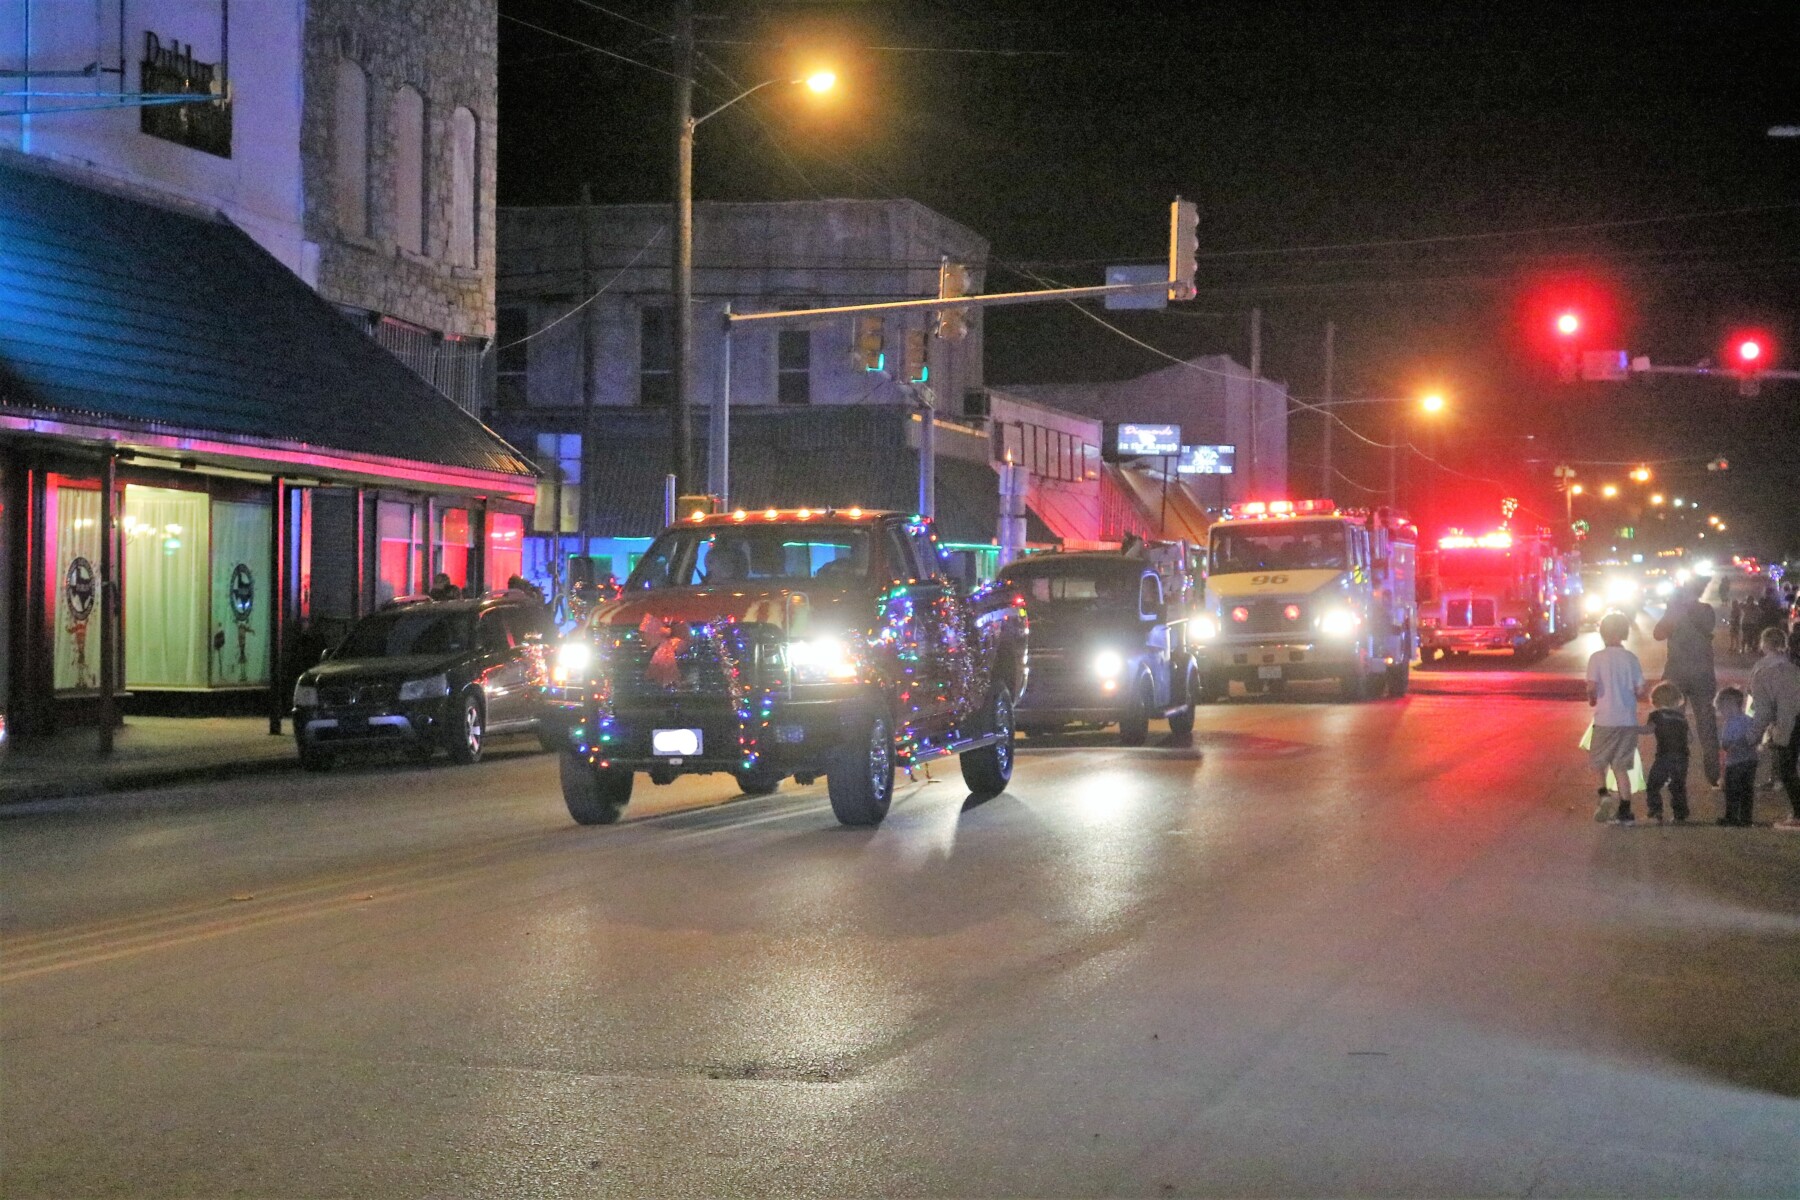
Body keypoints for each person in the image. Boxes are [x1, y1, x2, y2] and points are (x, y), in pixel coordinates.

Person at [1654, 580, 1721, 789]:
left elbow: (1657, 634)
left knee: (1672, 725)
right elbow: (1707, 629)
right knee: (1707, 726)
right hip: (1702, 674)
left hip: (1677, 674)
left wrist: (1672, 610)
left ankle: (1672, 774)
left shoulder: (1675, 611)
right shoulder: (1707, 610)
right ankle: (1714, 776)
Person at [1587, 611, 1647, 824]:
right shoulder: (1631, 658)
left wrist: (1593, 699)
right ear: (1624, 633)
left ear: (1602, 632)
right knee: (1621, 768)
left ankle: (1603, 794)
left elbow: (1592, 687)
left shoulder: (1596, 658)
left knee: (1598, 761)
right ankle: (1625, 811)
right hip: (1627, 721)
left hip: (1605, 720)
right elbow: (1640, 690)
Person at [1747, 626, 1800, 831]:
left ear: (1763, 644)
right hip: (1793, 717)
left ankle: (1798, 814)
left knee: (1787, 770)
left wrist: (1751, 736)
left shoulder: (1761, 672)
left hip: (1790, 721)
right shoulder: (1793, 668)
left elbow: (1763, 712)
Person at [1640, 681, 1691, 824]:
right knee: (1678, 786)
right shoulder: (1681, 717)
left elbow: (1648, 730)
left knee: (1653, 784)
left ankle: (1656, 811)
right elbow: (1690, 738)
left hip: (1664, 756)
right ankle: (1680, 815)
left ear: (1655, 700)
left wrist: (1632, 729)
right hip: (1682, 756)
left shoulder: (1656, 715)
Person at [1715, 686, 1758, 826]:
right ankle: (1746, 818)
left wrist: (1728, 746)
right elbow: (1754, 737)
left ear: (1730, 705)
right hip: (1751, 760)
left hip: (1735, 762)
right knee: (1747, 790)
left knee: (1732, 790)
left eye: (1721, 709)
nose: (1721, 713)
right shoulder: (1749, 720)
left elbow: (1726, 744)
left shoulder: (1730, 723)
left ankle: (1731, 817)